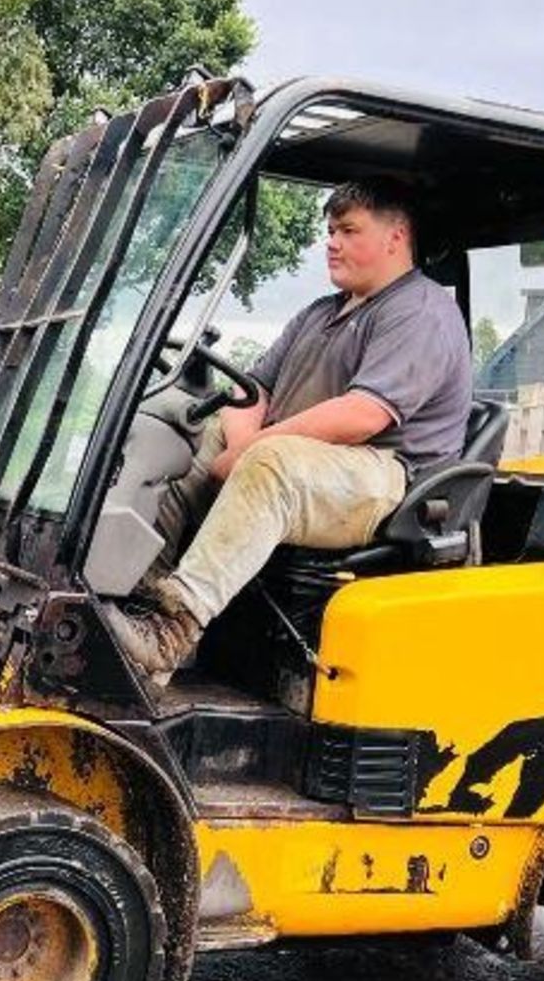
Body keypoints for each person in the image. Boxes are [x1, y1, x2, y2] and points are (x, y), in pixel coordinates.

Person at [105, 178, 473, 682]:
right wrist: (237, 444)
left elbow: (363, 416)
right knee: (179, 437)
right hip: (309, 459)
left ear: (396, 236)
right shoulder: (321, 312)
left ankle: (168, 634)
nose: (332, 242)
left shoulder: (421, 311)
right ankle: (130, 597)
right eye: (330, 230)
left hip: (388, 476)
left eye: (348, 230)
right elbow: (249, 389)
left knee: (271, 463)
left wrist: (252, 450)